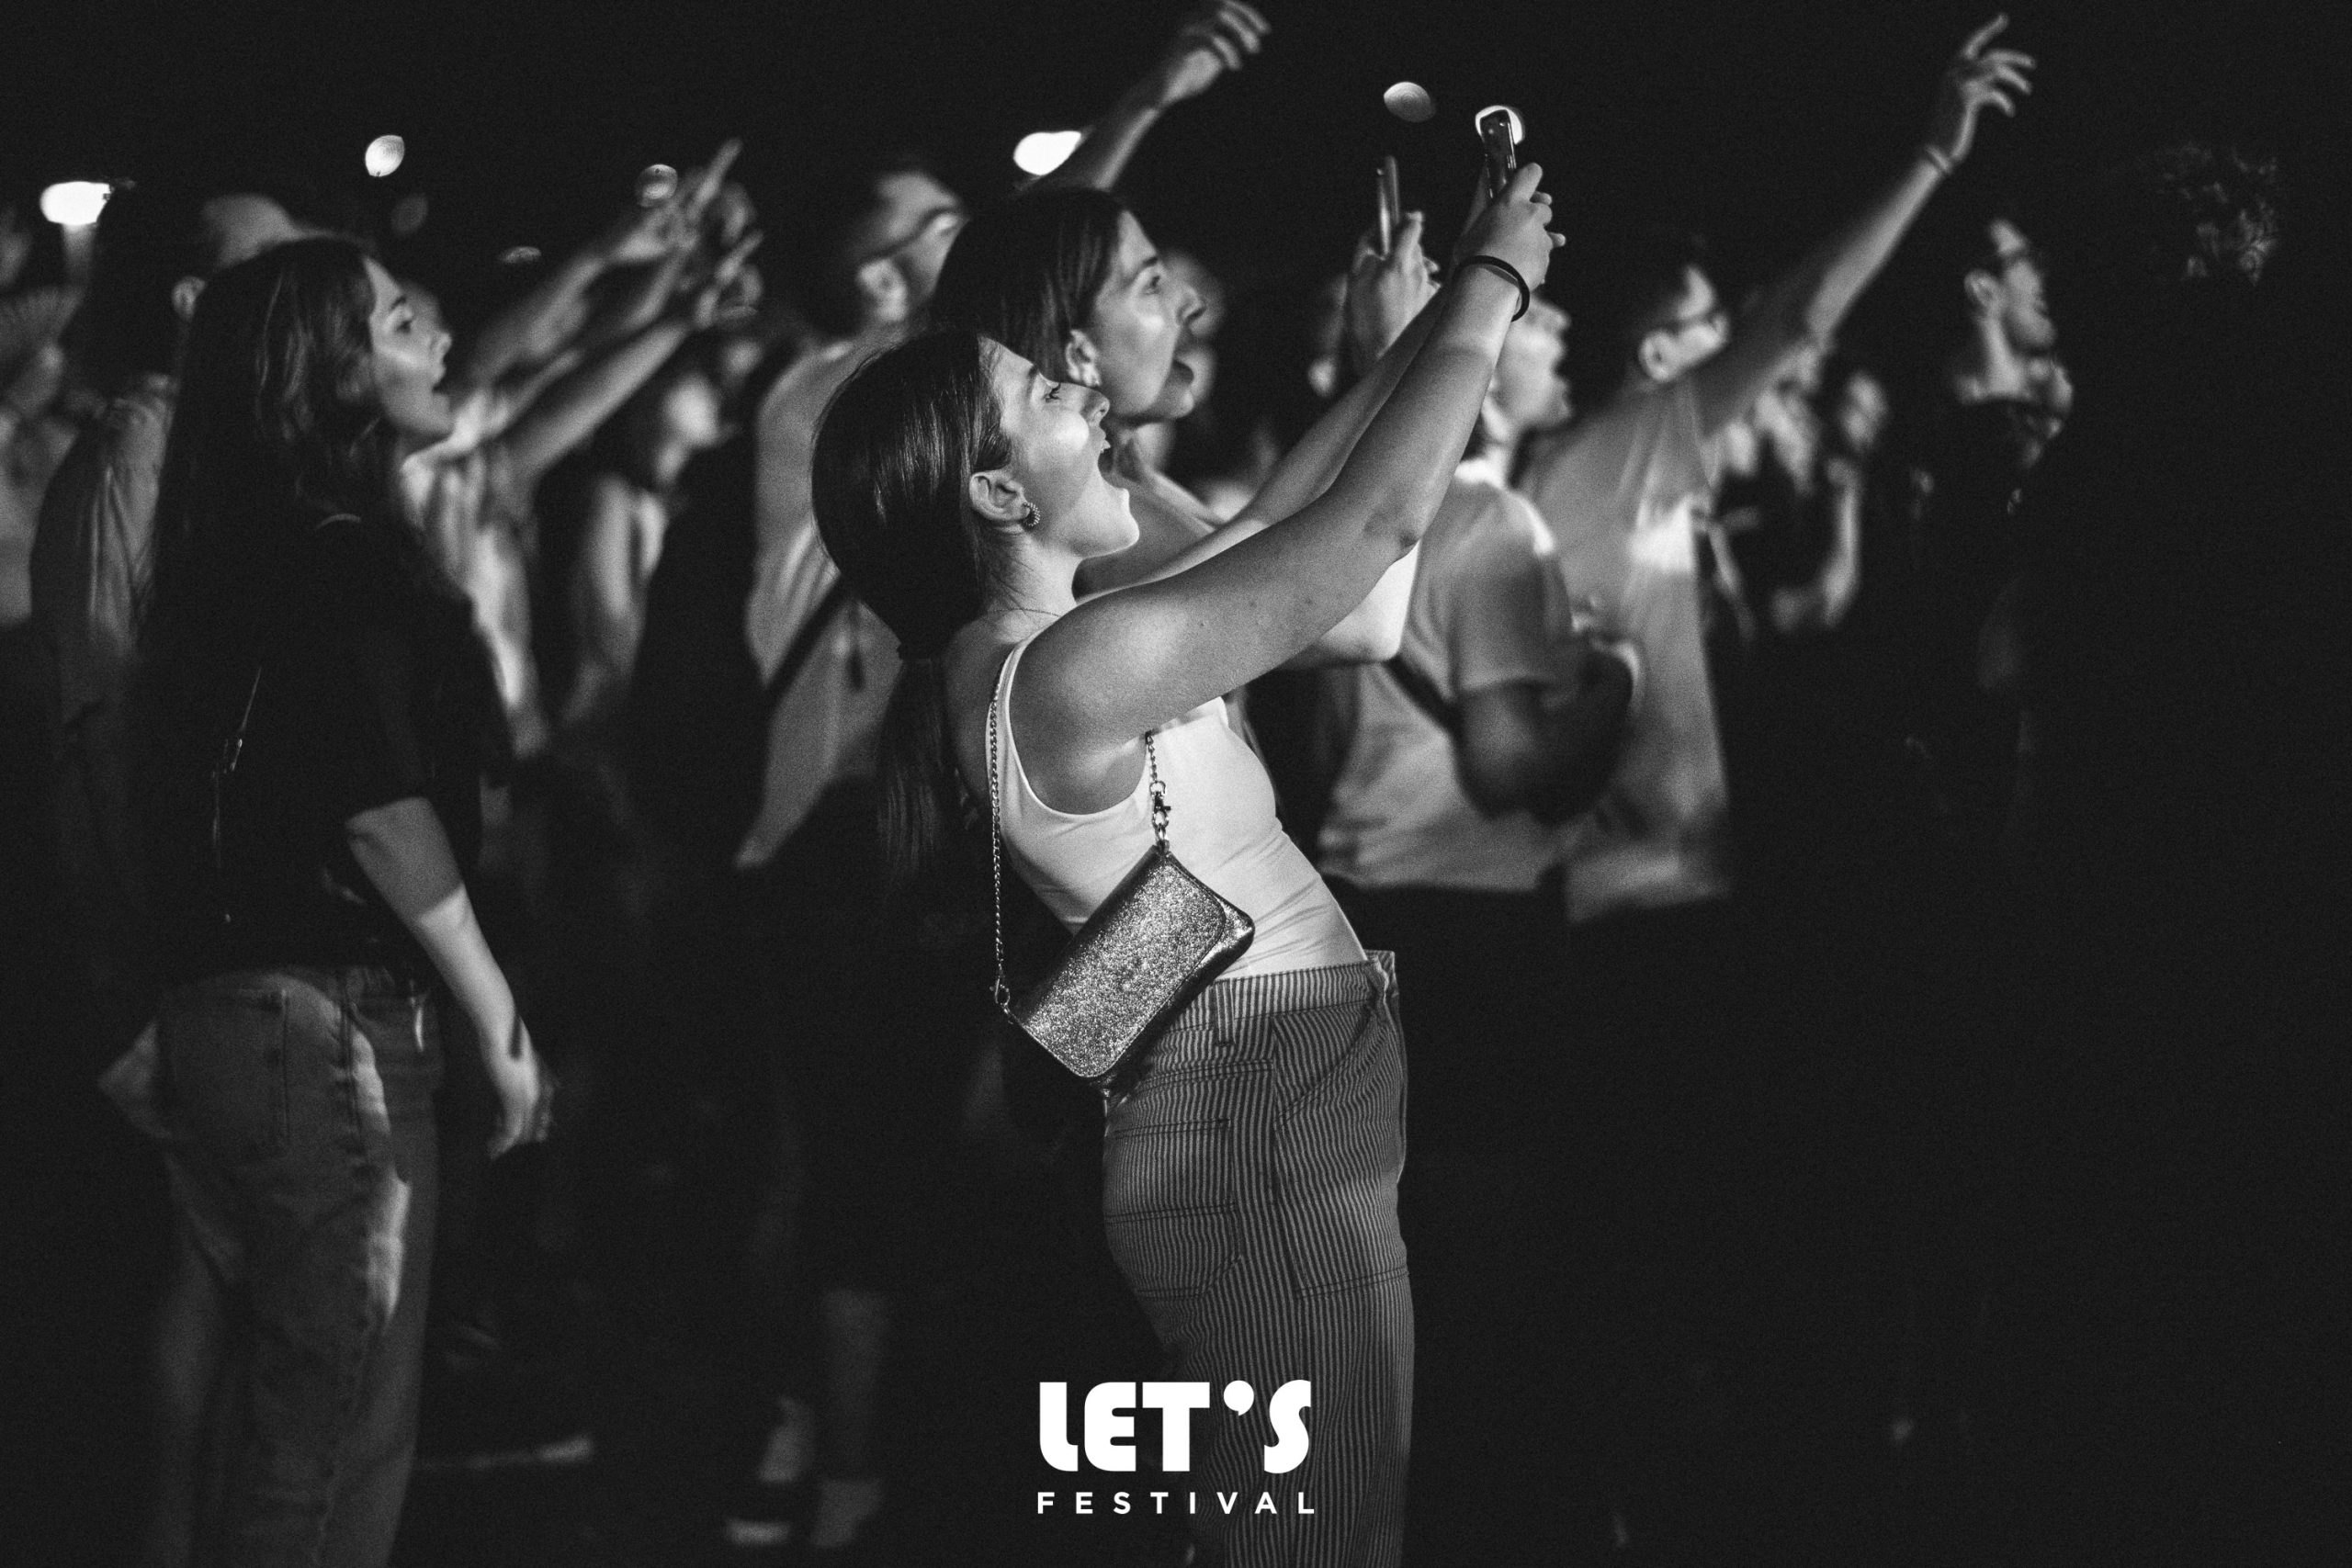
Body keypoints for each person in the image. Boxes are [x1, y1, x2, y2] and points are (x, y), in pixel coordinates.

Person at [810, 164, 1561, 1567]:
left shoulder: (1041, 650)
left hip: (1246, 1115)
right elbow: (1369, 530)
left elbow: (1271, 535)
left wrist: (1409, 338)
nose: (1091, 402)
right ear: (996, 490)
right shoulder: (1071, 666)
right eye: (1050, 395)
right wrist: (1490, 287)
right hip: (1251, 1131)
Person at [729, 8, 1269, 1553]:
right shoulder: (848, 399)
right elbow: (1017, 280)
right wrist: (1145, 100)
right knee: (884, 1164)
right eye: (927, 231)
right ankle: (844, 1462)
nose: (952, 248)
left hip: (950, 839)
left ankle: (893, 1446)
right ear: (873, 275)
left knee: (982, 1143)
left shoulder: (1070, 518)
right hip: (850, 840)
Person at [132, 237, 550, 1566]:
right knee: (334, 1442)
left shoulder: (229, 553)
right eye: (402, 321)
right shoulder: (338, 560)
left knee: (275, 1416)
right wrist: (496, 1016)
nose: (441, 336)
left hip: (231, 1013)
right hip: (325, 1024)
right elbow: (380, 809)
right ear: (330, 374)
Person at [1526, 16, 2035, 923]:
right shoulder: (1609, 451)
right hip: (1634, 895)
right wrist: (1931, 157)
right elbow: (1798, 320)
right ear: (1655, 357)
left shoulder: (1614, 473)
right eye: (1709, 325)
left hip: (1664, 878)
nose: (1730, 340)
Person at [1310, 283, 1637, 1560]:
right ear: (1485, 363)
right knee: (1488, 1248)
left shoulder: (1358, 507)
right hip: (1474, 921)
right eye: (1540, 319)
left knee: (1382, 1247)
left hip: (1361, 908)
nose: (1565, 338)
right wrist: (1615, 683)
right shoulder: (1493, 519)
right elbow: (1507, 766)